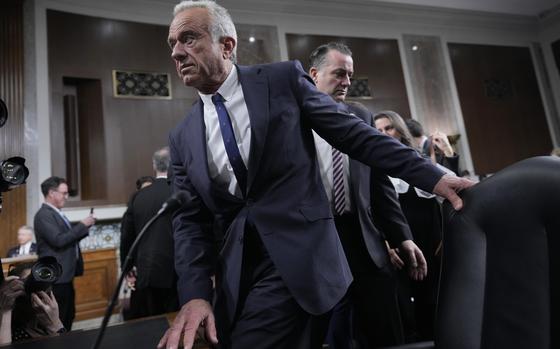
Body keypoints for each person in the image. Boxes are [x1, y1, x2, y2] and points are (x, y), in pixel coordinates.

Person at [160, 2, 473, 349]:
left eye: (188, 38)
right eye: (172, 43)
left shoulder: (280, 81)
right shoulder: (181, 137)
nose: (176, 52)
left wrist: (433, 176)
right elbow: (189, 222)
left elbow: (355, 136)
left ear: (227, 45)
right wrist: (194, 295)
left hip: (301, 255)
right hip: (237, 274)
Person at [308, 42, 425, 348]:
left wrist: (403, 236)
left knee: (385, 332)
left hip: (364, 242)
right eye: (339, 73)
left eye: (350, 74)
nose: (347, 81)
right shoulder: (294, 119)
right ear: (314, 74)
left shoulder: (361, 114)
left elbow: (379, 182)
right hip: (317, 241)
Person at [374, 111, 447, 341]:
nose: (383, 133)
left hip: (430, 244)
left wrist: (446, 237)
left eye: (388, 128)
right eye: (378, 130)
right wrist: (385, 243)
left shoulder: (418, 161)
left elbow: (443, 200)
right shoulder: (371, 166)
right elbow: (372, 211)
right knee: (404, 311)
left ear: (400, 130)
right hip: (397, 247)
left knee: (435, 306)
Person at [120, 147, 179, 319]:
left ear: (154, 165)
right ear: (175, 164)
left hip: (147, 270)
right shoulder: (181, 192)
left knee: (152, 323)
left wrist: (127, 267)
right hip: (178, 270)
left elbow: (127, 235)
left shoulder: (138, 196)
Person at [33, 176, 96, 331]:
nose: (66, 197)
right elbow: (59, 240)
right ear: (51, 193)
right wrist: (82, 225)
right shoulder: (43, 215)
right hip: (56, 278)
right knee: (59, 320)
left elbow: (67, 239)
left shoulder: (57, 213)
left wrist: (84, 227)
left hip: (65, 275)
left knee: (68, 315)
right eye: (64, 193)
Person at [4, 263, 66, 343]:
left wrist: (56, 323)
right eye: (29, 281)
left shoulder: (48, 317)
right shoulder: (14, 332)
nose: (40, 286)